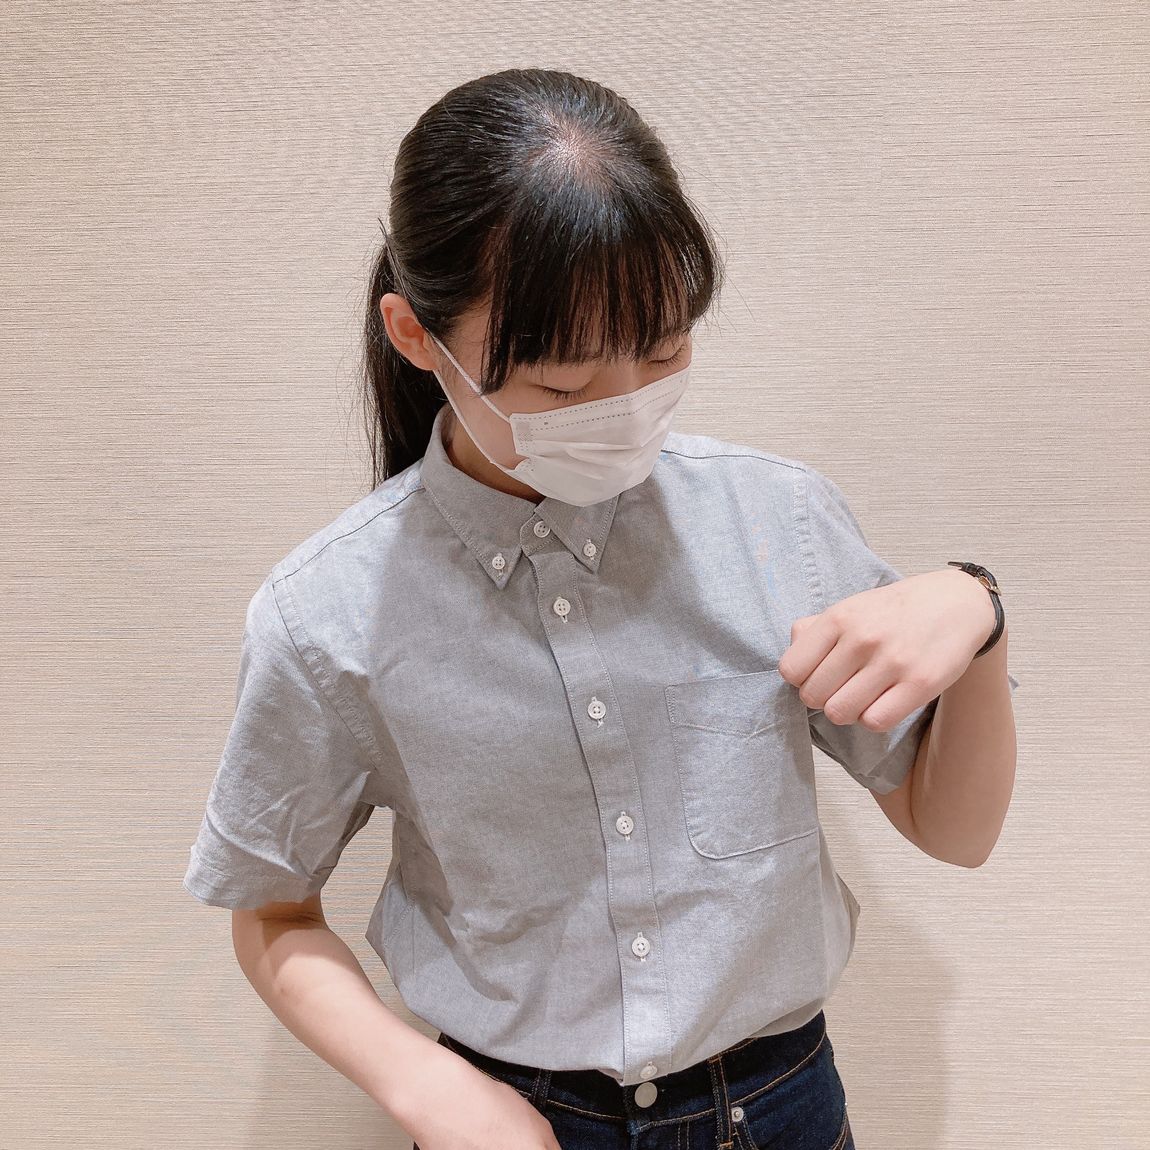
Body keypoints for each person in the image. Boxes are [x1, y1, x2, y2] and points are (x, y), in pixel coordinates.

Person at [183, 68, 1019, 1150]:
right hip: (515, 1121)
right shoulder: (326, 615)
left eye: (664, 350)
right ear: (415, 335)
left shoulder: (777, 521)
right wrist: (425, 1086)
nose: (625, 409)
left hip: (779, 1109)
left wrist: (978, 613)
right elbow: (273, 912)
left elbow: (953, 830)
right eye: (563, 387)